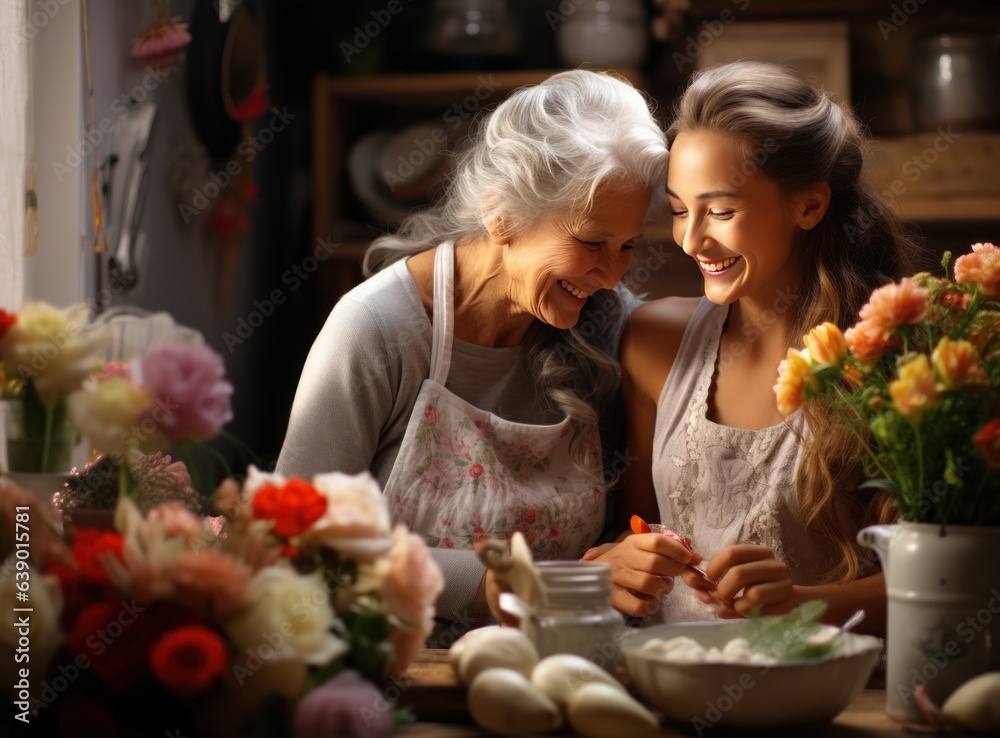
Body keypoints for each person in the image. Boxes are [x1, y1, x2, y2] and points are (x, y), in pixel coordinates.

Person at [276, 69, 669, 637]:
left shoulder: (609, 326)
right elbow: (295, 544)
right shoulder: (377, 329)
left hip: (565, 670)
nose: (612, 274)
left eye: (627, 245)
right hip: (400, 675)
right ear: (502, 213)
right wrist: (513, 584)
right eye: (590, 242)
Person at [583, 60, 922, 636]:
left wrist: (802, 603)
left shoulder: (893, 360)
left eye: (720, 211)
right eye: (678, 210)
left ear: (809, 206)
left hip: (835, 698)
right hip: (674, 688)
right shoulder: (653, 342)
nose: (691, 241)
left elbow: (950, 571)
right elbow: (635, 528)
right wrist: (620, 561)